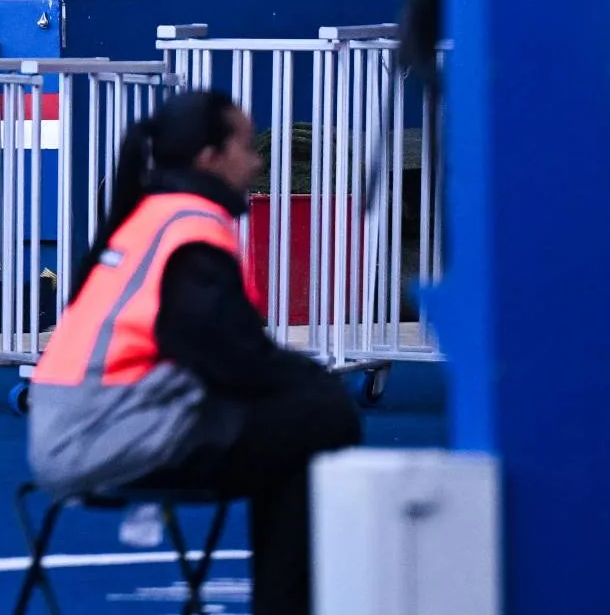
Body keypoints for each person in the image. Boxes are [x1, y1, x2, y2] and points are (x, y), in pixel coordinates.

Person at [29, 90, 362, 615]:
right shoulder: (192, 232)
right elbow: (231, 359)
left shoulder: (149, 217)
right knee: (324, 417)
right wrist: (313, 379)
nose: (256, 162)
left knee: (304, 416)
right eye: (247, 147)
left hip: (79, 423)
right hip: (109, 433)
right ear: (209, 157)